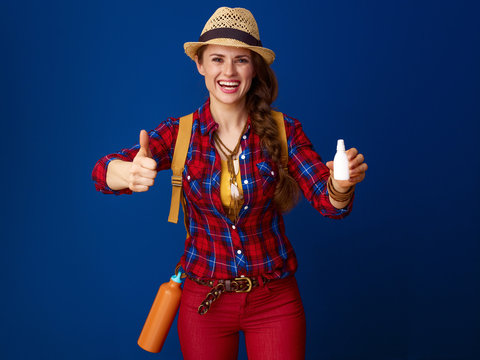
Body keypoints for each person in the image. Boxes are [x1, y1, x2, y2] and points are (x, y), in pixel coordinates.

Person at [92, 7, 367, 360]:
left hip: (274, 300)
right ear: (200, 65)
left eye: (241, 60)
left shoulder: (285, 131)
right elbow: (101, 172)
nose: (228, 72)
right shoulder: (179, 134)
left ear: (254, 68)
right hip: (204, 303)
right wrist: (126, 173)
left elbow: (330, 204)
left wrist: (341, 185)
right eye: (217, 59)